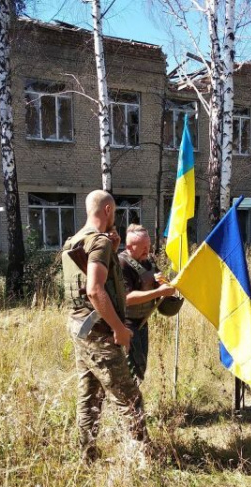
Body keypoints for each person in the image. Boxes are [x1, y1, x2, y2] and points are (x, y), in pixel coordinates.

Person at [61, 190, 150, 464]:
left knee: (89, 395)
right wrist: (119, 329)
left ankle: (87, 457)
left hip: (80, 328)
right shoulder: (99, 243)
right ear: (108, 210)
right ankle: (143, 459)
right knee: (129, 397)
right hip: (99, 331)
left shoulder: (74, 241)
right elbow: (94, 290)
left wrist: (113, 246)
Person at [118, 224, 176, 385]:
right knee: (130, 369)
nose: (147, 251)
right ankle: (130, 407)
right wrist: (159, 292)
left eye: (148, 246)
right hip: (126, 324)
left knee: (141, 367)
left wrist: (163, 284)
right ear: (129, 246)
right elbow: (127, 298)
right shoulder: (122, 264)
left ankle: (134, 405)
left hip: (143, 323)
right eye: (143, 247)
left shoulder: (148, 261)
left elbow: (158, 285)